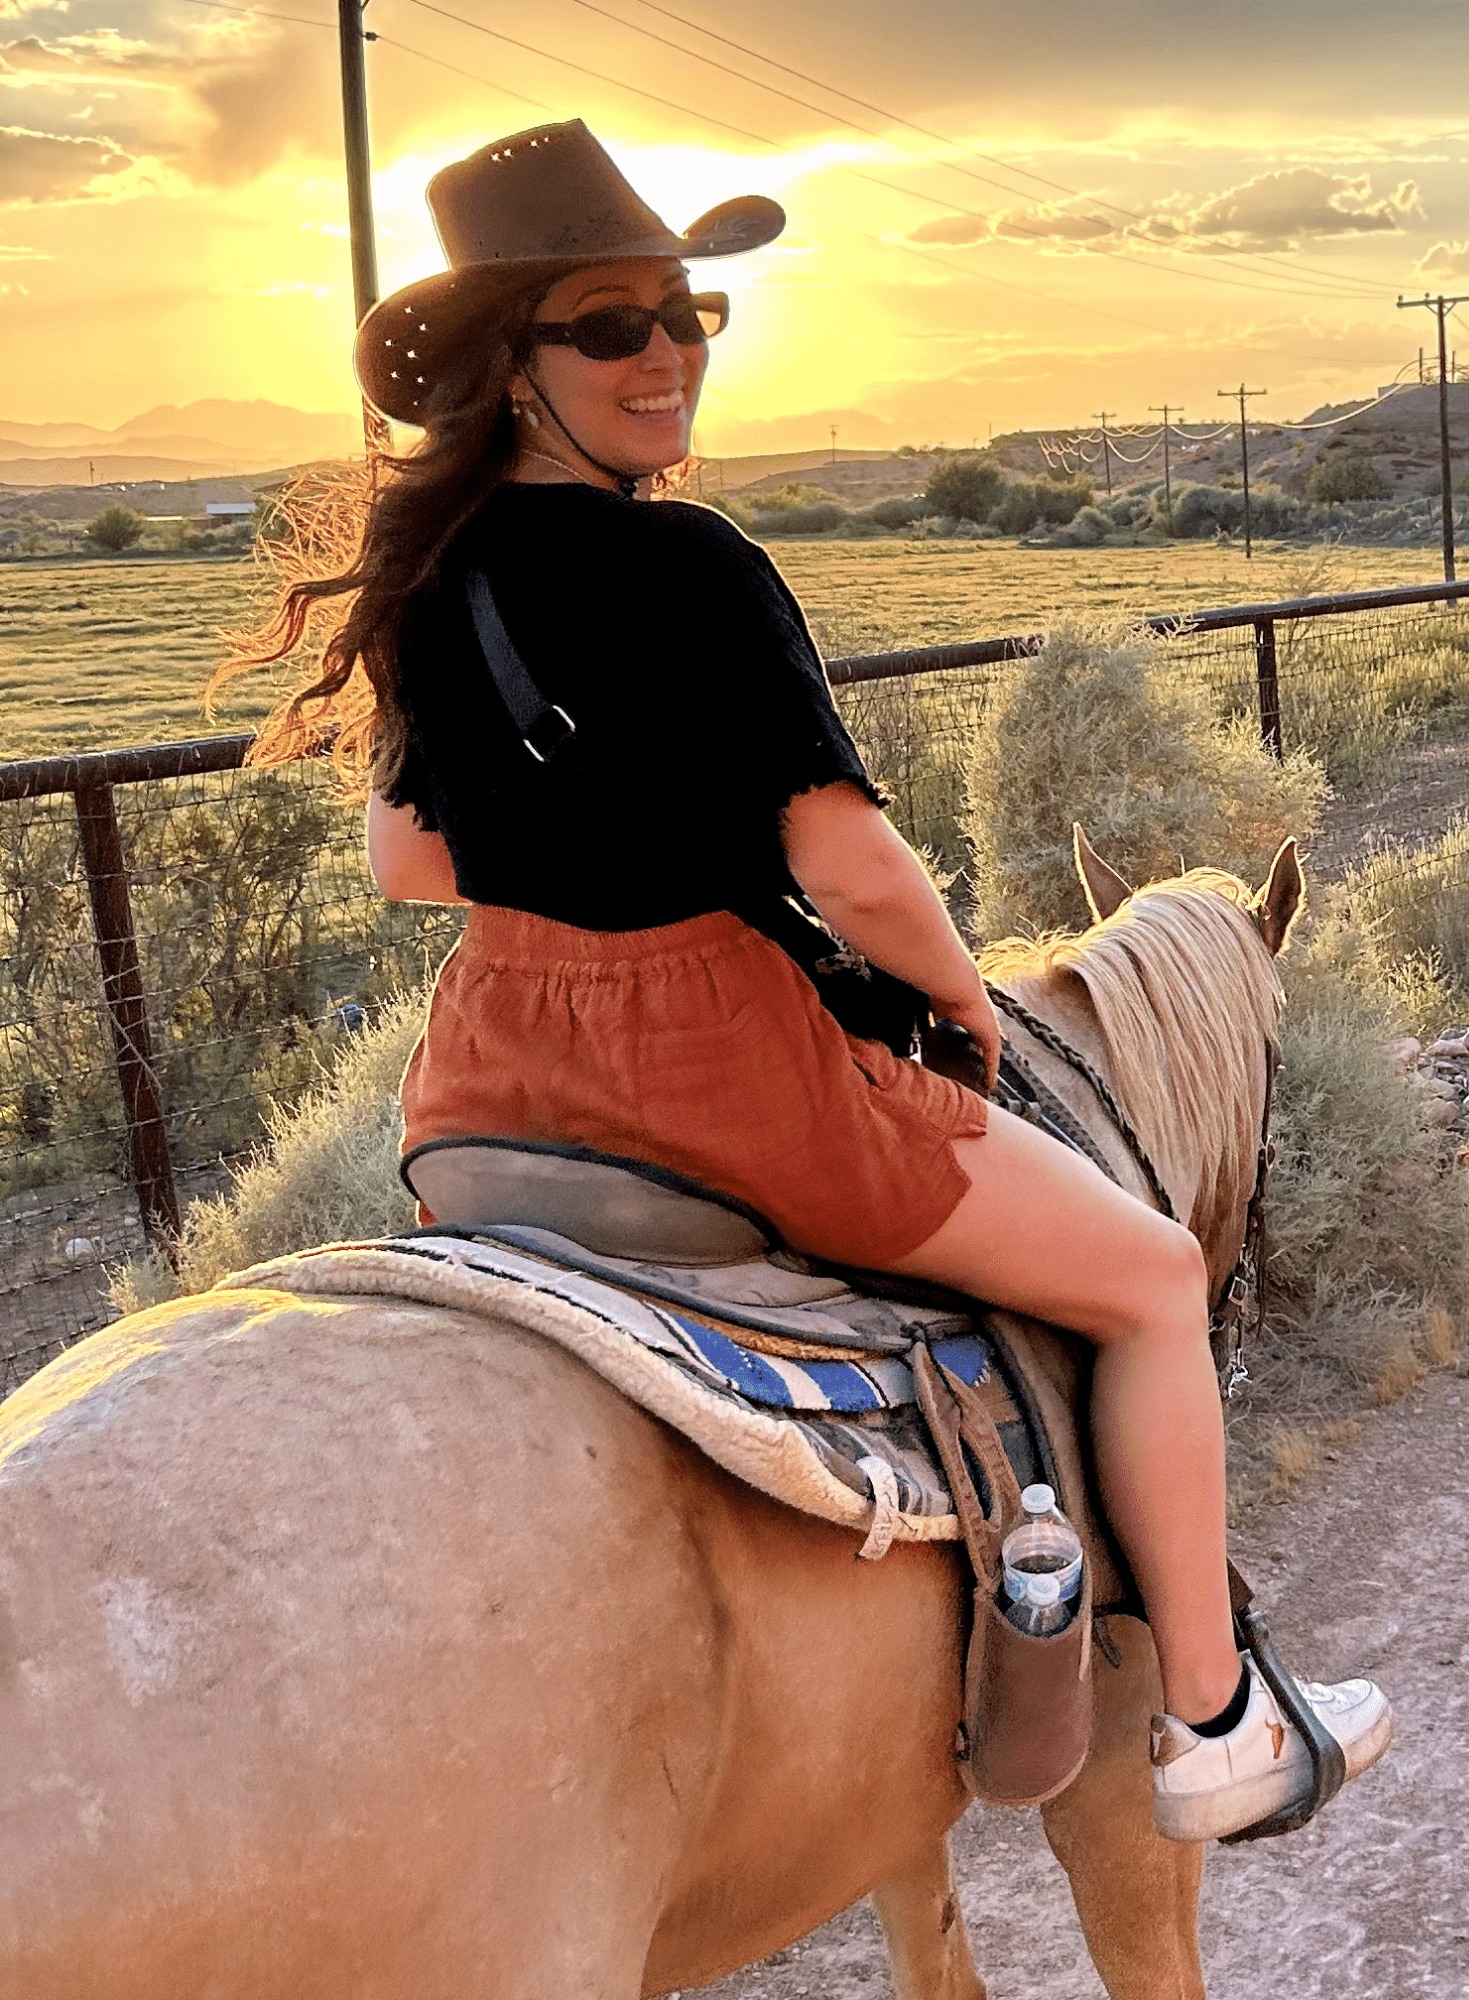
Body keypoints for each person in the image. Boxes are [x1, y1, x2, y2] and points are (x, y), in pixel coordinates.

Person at [228, 122, 1391, 1844]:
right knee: (1150, 1277)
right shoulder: (691, 561)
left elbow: (411, 864)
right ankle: (1217, 1724)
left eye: (687, 312)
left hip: (490, 1067)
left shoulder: (431, 578)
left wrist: (585, 868)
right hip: (719, 1061)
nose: (668, 352)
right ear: (512, 365)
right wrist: (964, 1000)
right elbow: (845, 862)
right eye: (610, 325)